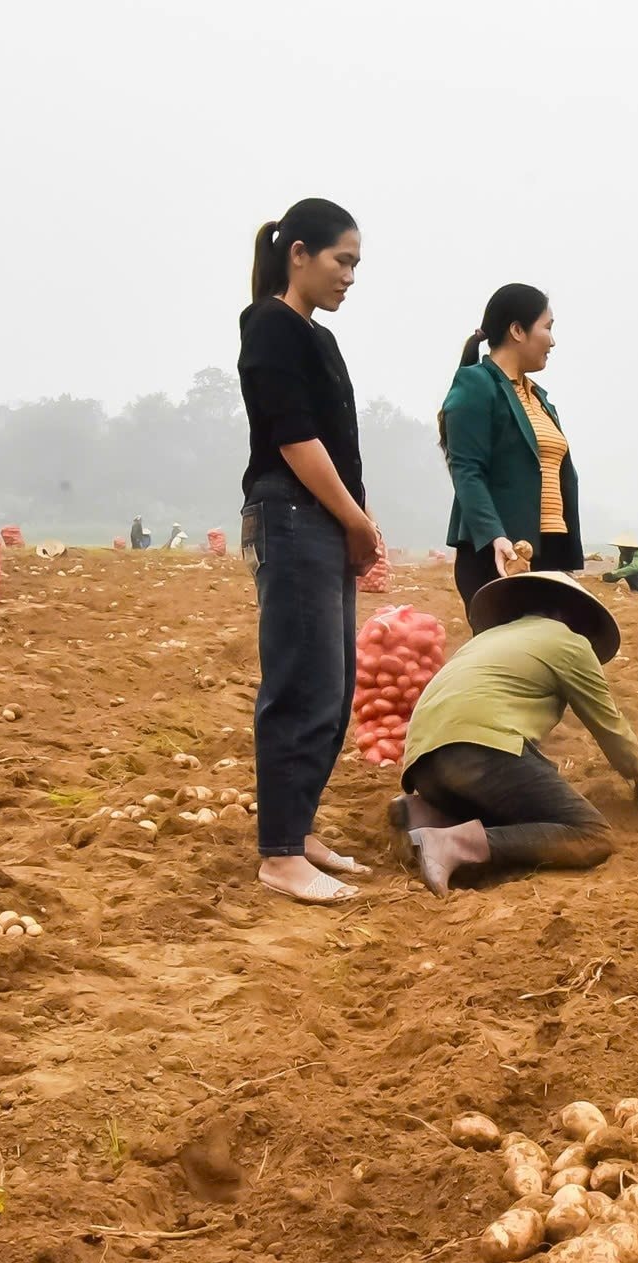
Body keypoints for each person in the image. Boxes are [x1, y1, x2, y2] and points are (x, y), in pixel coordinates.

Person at [237, 197, 381, 903]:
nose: (349, 276)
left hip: (322, 519)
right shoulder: (270, 325)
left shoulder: (317, 338)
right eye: (341, 260)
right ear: (299, 253)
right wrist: (355, 521)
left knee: (334, 685)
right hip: (292, 516)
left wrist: (358, 517)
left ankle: (300, 830)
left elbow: (339, 446)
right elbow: (294, 439)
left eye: (356, 264)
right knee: (301, 683)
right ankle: (280, 854)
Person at [391, 572, 638, 893]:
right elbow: (609, 726)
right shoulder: (570, 643)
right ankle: (454, 844)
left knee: (511, 811)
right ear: (576, 618)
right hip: (478, 751)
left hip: (422, 763)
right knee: (591, 834)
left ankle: (425, 812)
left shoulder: (485, 640)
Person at [439, 284, 585, 625]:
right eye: (547, 327)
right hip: (500, 554)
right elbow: (466, 470)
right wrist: (494, 535)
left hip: (547, 551)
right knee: (511, 666)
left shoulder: (539, 398)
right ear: (517, 330)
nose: (553, 340)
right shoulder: (477, 384)